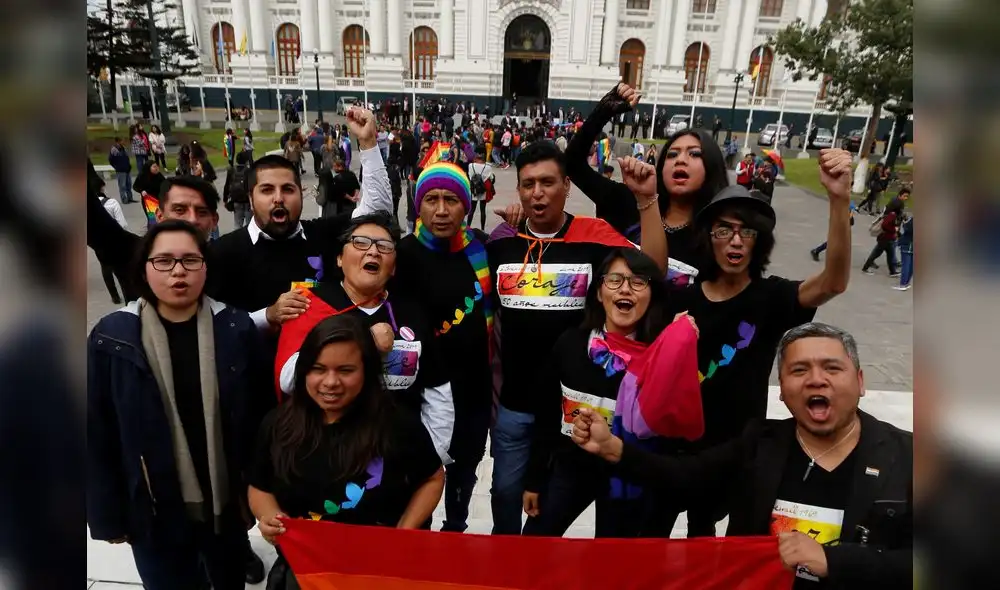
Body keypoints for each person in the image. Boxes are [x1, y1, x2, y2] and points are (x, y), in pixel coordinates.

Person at [571, 322, 913, 589]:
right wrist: (614, 448)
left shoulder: (910, 456)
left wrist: (835, 562)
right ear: (781, 388)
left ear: (861, 381)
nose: (815, 380)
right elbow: (685, 476)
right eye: (799, 370)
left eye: (832, 368)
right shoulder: (758, 443)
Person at [659, 150, 854, 536]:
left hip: (738, 452)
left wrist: (839, 200)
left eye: (746, 231)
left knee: (717, 550)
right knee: (648, 540)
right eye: (723, 230)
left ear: (758, 241)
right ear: (708, 237)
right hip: (675, 448)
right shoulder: (680, 300)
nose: (735, 241)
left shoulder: (772, 298)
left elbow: (833, 282)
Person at [485, 142, 667, 535]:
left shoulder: (596, 237)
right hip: (516, 406)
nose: (538, 193)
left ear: (567, 185)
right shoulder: (501, 243)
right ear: (518, 189)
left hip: (576, 409)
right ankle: (503, 568)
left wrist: (647, 201)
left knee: (548, 512)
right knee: (504, 496)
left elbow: (652, 269)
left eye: (548, 182)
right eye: (528, 184)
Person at [87, 220, 271, 590]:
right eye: (164, 261)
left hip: (226, 506)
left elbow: (261, 418)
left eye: (190, 260)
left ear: (206, 266)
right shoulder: (113, 337)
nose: (178, 272)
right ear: (144, 268)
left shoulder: (234, 327)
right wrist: (107, 515)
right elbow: (97, 430)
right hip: (153, 509)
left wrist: (261, 492)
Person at [249, 315, 444, 589]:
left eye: (345, 370)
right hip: (306, 571)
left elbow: (433, 478)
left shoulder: (397, 424)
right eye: (318, 369)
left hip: (380, 573)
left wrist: (405, 531)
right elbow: (259, 487)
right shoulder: (277, 424)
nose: (330, 382)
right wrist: (269, 517)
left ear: (367, 370)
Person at [522, 248, 699, 538]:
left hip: (628, 476)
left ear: (652, 295)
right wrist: (535, 480)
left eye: (638, 281)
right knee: (533, 544)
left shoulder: (662, 357)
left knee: (614, 565)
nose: (625, 289)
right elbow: (546, 418)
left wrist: (682, 339)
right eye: (615, 280)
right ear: (598, 292)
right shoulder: (570, 344)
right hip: (571, 466)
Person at [274, 212, 456, 465]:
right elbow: (288, 379)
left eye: (384, 246)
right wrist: (364, 342)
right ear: (339, 258)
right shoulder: (308, 305)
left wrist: (432, 454)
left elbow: (437, 391)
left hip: (397, 461)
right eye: (360, 242)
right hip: (323, 457)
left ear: (393, 268)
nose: (373, 252)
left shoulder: (412, 314)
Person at [564, 83, 727, 286]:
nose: (681, 160)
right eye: (672, 154)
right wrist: (603, 112)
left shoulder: (719, 234)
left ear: (712, 166)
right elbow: (572, 164)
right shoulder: (626, 203)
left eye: (694, 154)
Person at [95, 177, 129, 304]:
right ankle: (128, 297)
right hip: (115, 239)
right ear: (102, 187)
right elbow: (123, 224)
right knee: (121, 269)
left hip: (98, 241)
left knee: (105, 267)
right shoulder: (112, 203)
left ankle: (114, 296)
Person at [862, 195, 905, 277]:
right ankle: (866, 267)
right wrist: (894, 230)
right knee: (877, 254)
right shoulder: (892, 215)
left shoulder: (891, 214)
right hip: (885, 238)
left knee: (890, 255)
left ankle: (892, 272)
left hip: (887, 238)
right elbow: (885, 225)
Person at [222, 151, 253, 229]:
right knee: (250, 225)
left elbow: (227, 185)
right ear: (246, 161)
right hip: (248, 201)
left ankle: (238, 239)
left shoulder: (231, 170)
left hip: (236, 201)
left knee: (238, 225)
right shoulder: (249, 171)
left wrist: (225, 199)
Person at [466, 151, 495, 231]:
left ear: (475, 159)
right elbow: (491, 178)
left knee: (472, 210)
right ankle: (482, 229)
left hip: (474, 190)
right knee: (483, 210)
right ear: (484, 159)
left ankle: (468, 226)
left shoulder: (470, 166)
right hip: (483, 190)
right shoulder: (488, 167)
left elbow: (469, 175)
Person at [109, 136, 134, 204]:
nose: (124, 142)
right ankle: (124, 199)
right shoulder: (114, 149)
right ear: (118, 141)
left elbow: (126, 158)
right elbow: (111, 160)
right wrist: (116, 166)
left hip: (127, 169)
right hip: (120, 170)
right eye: (122, 141)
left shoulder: (124, 148)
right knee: (122, 186)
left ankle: (130, 198)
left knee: (128, 184)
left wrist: (129, 166)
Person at [894, 212, 914, 291]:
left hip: (908, 243)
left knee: (906, 264)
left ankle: (903, 283)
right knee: (911, 264)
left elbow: (908, 229)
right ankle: (907, 282)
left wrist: (905, 221)